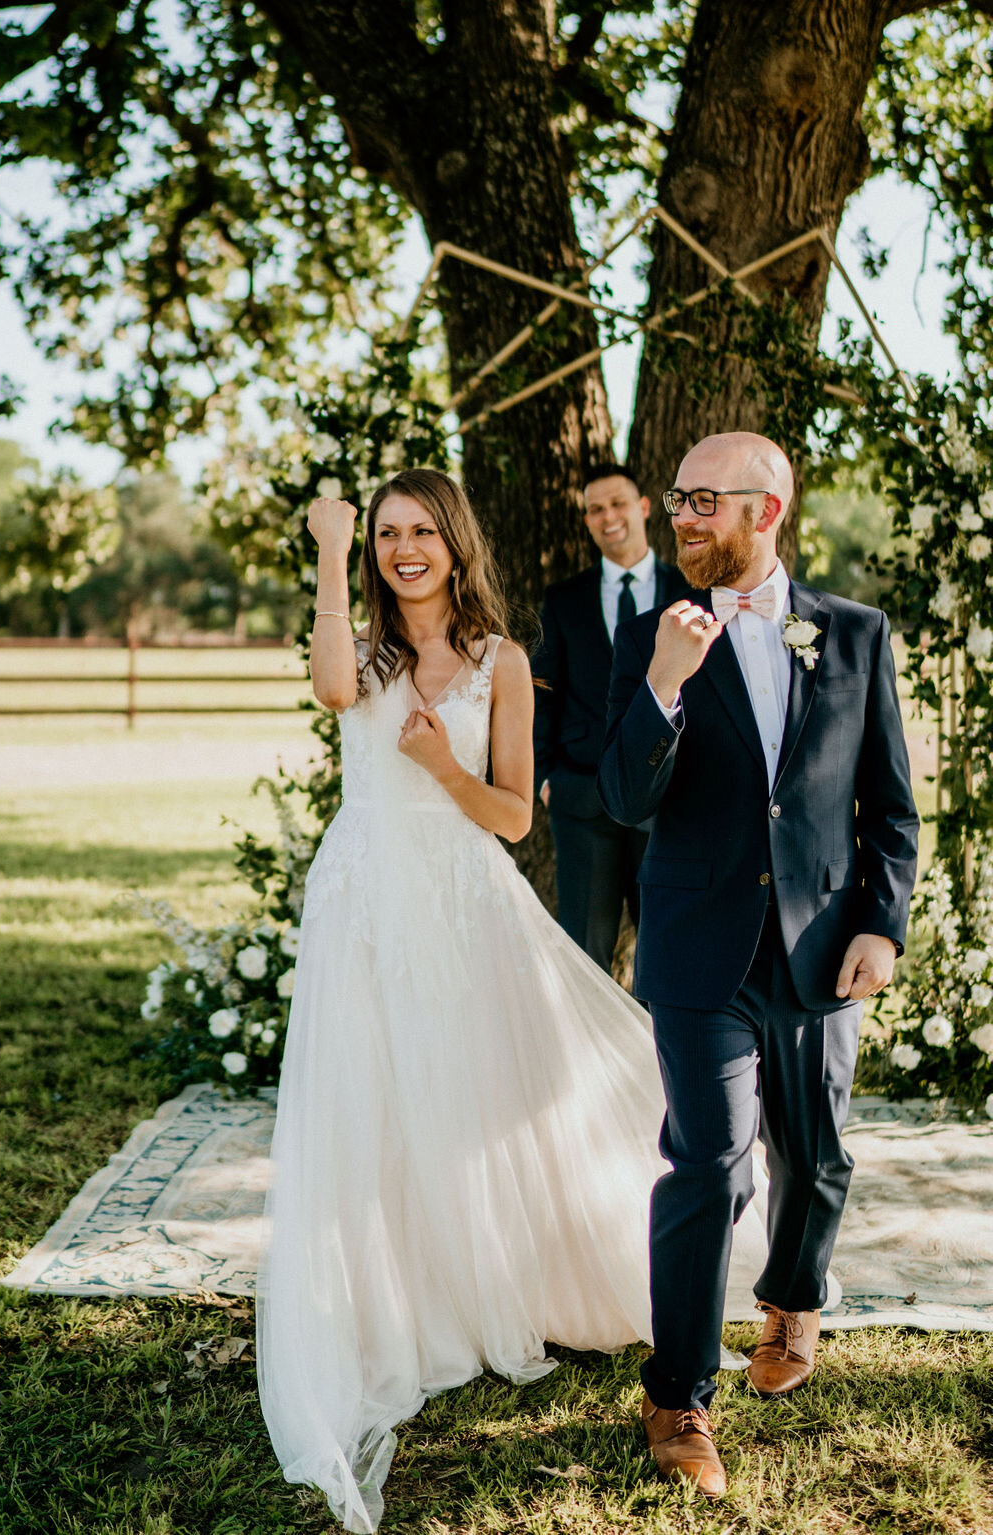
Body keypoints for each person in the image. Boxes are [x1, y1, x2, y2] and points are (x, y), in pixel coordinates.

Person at [256, 467, 768, 1532]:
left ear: (455, 544)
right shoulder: (367, 647)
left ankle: (503, 1280)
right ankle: (401, 1302)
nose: (406, 550)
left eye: (420, 532)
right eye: (389, 534)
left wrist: (444, 764)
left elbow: (510, 817)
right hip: (366, 898)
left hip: (465, 896)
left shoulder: (504, 660)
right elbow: (331, 688)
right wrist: (329, 550)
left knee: (477, 1096)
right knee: (378, 1097)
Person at [598, 432, 919, 1499]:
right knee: (712, 1164)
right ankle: (679, 1391)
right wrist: (663, 688)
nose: (680, 517)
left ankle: (794, 1293)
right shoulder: (650, 633)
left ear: (764, 509)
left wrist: (882, 922)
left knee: (816, 1153)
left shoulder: (855, 634)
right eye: (676, 499)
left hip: (826, 948)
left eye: (700, 500)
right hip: (701, 952)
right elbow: (622, 799)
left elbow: (889, 807)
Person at [531, 464, 685, 970]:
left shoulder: (687, 591)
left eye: (617, 503)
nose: (607, 516)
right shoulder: (563, 598)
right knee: (584, 959)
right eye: (595, 509)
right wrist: (545, 776)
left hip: (670, 803)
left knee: (668, 956)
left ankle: (658, 1053)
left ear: (643, 508)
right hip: (581, 797)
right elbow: (543, 692)